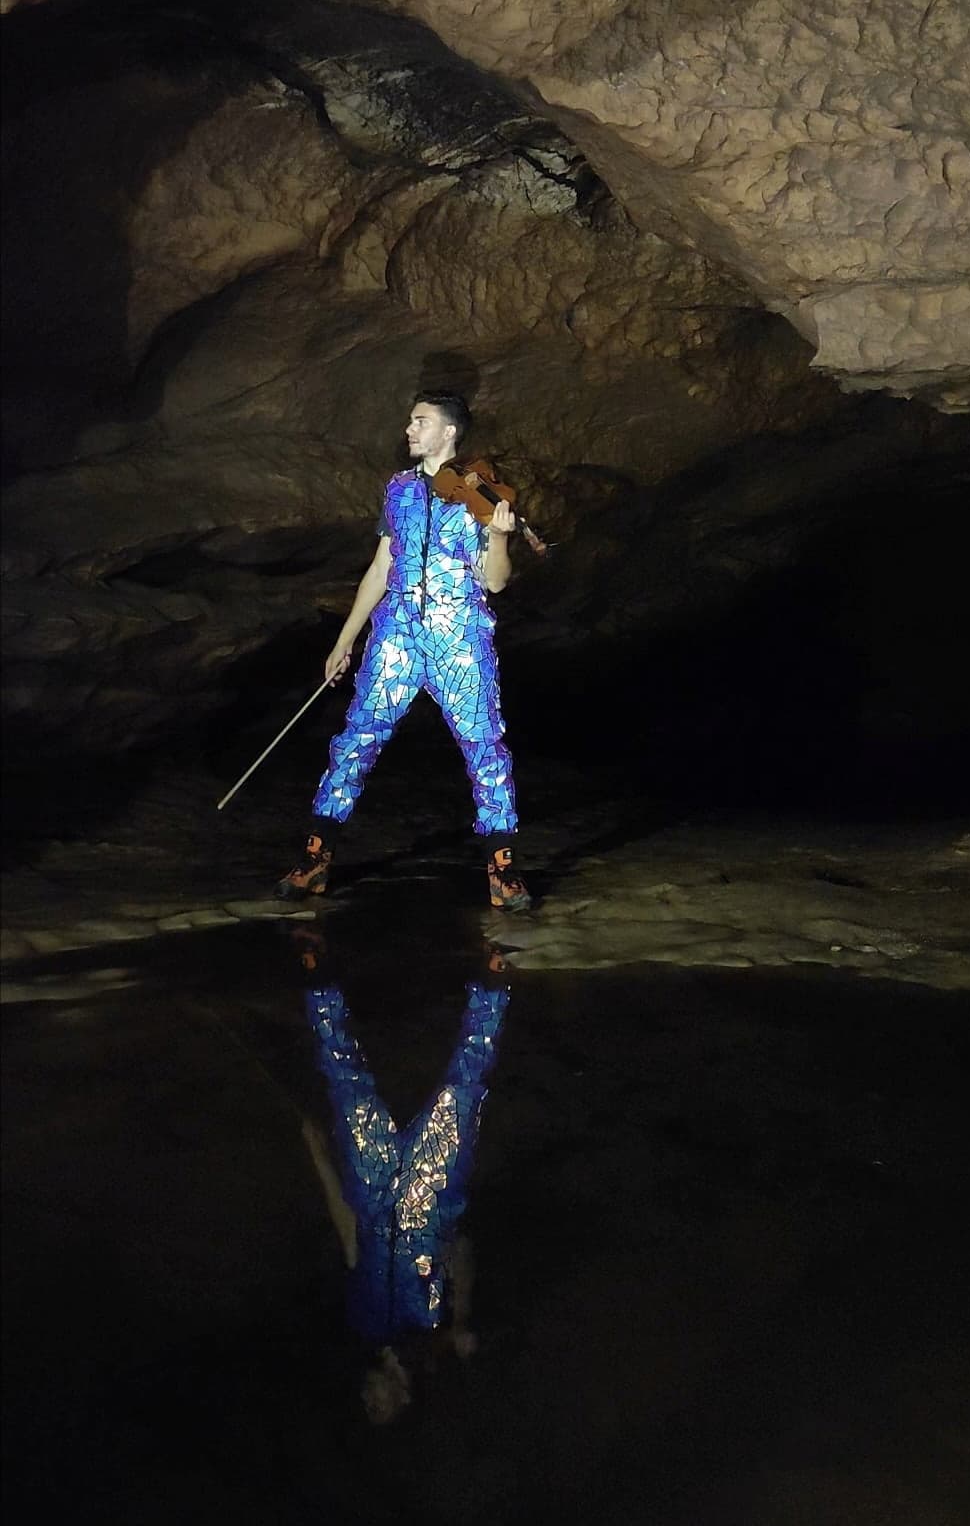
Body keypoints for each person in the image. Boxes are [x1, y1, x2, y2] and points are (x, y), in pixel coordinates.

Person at [274, 391, 533, 911]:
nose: (409, 429)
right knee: (357, 738)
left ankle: (502, 869)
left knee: (485, 745)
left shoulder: (477, 495)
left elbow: (497, 582)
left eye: (421, 421)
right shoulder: (398, 490)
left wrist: (501, 538)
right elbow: (380, 567)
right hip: (395, 634)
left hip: (460, 635)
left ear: (450, 433)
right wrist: (345, 639)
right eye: (411, 421)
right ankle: (316, 857)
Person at [293, 924, 511, 1426]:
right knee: (464, 1091)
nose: (370, 1401)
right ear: (404, 1400)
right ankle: (494, 978)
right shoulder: (434, 1339)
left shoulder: (364, 1322)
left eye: (365, 1405)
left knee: (345, 1085)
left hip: (371, 1190)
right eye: (378, 1409)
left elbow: (349, 1236)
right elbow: (462, 1250)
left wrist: (319, 1157)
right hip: (430, 1195)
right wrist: (460, 1319)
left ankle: (316, 972)